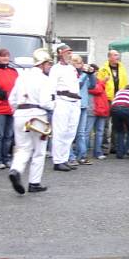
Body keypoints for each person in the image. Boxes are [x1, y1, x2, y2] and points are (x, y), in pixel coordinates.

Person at [7, 48, 55, 194]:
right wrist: (55, 105)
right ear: (43, 64)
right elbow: (46, 102)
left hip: (20, 114)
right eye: (48, 64)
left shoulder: (21, 77)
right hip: (37, 115)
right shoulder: (44, 80)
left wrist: (17, 110)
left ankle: (16, 170)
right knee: (39, 151)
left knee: (23, 148)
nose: (49, 67)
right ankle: (34, 183)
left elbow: (12, 99)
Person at [49, 43, 82, 172]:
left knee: (70, 132)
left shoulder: (71, 68)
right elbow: (51, 86)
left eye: (70, 52)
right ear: (60, 53)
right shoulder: (55, 69)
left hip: (74, 102)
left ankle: (64, 158)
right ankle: (57, 161)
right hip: (62, 100)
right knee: (60, 132)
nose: (69, 54)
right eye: (67, 52)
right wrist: (52, 103)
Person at [97, 49, 129, 153]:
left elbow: (125, 83)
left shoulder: (122, 68)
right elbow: (99, 84)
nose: (117, 57)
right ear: (109, 57)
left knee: (117, 123)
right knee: (105, 124)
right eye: (115, 55)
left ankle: (114, 146)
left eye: (118, 55)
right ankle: (104, 146)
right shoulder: (103, 69)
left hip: (118, 99)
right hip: (107, 99)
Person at [0, 48, 19, 169]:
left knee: (9, 135)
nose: (5, 58)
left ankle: (6, 158)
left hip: (11, 108)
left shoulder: (14, 71)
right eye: (3, 56)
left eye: (7, 56)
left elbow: (18, 86)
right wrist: (7, 94)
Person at [69, 55, 96, 165]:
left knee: (81, 133)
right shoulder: (70, 74)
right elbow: (78, 85)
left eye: (81, 63)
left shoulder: (83, 74)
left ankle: (82, 156)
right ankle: (70, 157)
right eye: (79, 63)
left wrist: (91, 74)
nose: (81, 65)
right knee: (70, 133)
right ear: (73, 64)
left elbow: (93, 86)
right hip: (73, 105)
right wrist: (85, 73)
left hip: (83, 106)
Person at [110, 84, 129, 159]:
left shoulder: (119, 92)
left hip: (114, 109)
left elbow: (114, 101)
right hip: (127, 109)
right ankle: (128, 149)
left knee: (119, 131)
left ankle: (119, 153)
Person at [86, 67, 110, 160]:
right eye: (95, 72)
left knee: (100, 132)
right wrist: (103, 82)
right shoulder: (89, 81)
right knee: (87, 132)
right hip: (92, 110)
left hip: (101, 110)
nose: (96, 74)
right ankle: (83, 152)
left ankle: (98, 152)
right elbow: (97, 89)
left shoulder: (99, 82)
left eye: (97, 72)